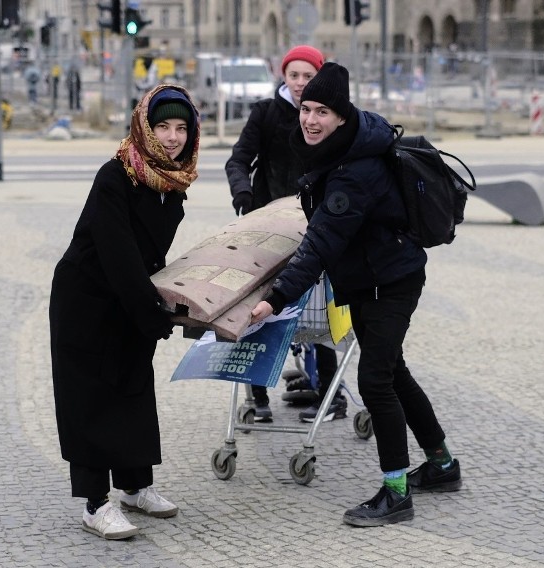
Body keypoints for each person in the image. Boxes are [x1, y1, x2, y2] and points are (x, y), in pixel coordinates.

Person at [249, 62, 461, 527]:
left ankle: (396, 493)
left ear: (342, 116)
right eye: (306, 108)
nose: (310, 119)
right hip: (370, 278)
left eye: (322, 111)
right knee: (394, 373)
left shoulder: (353, 171)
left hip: (391, 282)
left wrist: (275, 298)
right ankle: (442, 465)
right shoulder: (341, 150)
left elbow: (322, 241)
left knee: (375, 381)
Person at [49, 84, 200, 540]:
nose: (172, 137)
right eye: (162, 126)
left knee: (134, 385)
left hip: (132, 297)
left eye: (181, 128)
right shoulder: (115, 176)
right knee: (91, 396)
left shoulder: (173, 183)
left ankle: (136, 485)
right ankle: (96, 504)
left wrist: (167, 303)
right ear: (144, 127)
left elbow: (151, 259)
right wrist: (153, 314)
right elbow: (118, 255)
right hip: (88, 299)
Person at [225, 45, 347, 424]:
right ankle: (257, 396)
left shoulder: (326, 117)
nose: (299, 83)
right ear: (283, 76)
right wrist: (242, 191)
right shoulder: (265, 113)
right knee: (257, 308)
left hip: (313, 225)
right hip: (266, 224)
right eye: (292, 75)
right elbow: (239, 158)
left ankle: (329, 392)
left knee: (316, 311)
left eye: (307, 76)